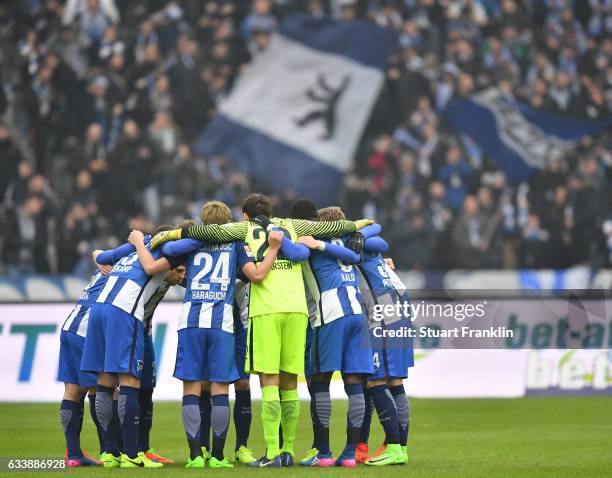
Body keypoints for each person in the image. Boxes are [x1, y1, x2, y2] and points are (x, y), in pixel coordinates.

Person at [149, 193, 373, 467]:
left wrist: (170, 233)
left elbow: (202, 235)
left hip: (265, 310)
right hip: (297, 310)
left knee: (268, 381)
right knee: (290, 382)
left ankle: (272, 453)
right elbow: (330, 229)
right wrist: (358, 224)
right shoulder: (291, 226)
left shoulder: (241, 231)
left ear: (244, 215)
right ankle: (289, 449)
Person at [167, 201, 282, 468]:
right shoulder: (234, 245)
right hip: (222, 324)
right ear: (229, 221)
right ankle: (218, 456)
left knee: (192, 389)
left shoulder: (192, 242)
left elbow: (169, 252)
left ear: (203, 221)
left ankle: (196, 455)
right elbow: (256, 275)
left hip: (192, 322)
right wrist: (273, 250)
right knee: (221, 389)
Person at [81, 227, 186, 468]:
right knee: (130, 383)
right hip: (124, 313)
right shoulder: (158, 254)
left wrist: (103, 262)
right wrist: (139, 241)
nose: (180, 275)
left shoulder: (128, 253)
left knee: (105, 384)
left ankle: (109, 453)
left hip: (99, 310)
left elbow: (100, 255)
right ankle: (131, 454)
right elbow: (150, 268)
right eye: (179, 270)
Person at [295, 206, 374, 467]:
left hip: (330, 315)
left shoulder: (313, 243)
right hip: (357, 314)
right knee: (354, 384)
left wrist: (318, 243)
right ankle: (350, 453)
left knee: (319, 381)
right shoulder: (351, 243)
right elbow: (371, 233)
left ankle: (324, 452)